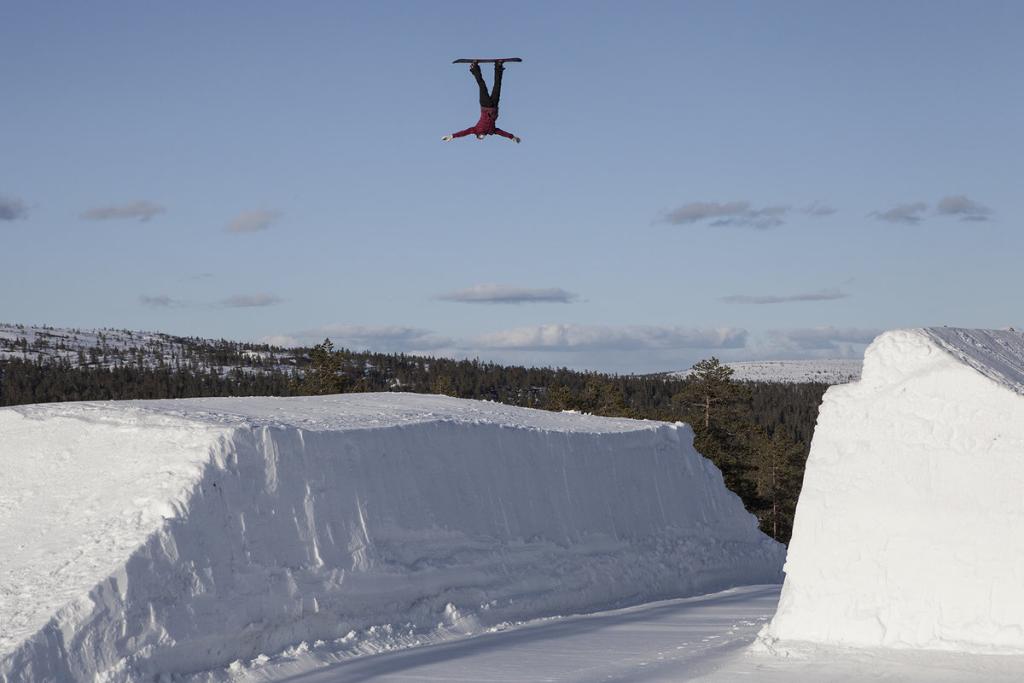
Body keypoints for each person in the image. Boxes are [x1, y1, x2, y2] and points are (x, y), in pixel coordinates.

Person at [442, 61, 521, 143]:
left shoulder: (475, 129)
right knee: (498, 86)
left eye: (480, 137)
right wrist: (512, 137)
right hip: (494, 106)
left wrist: (452, 136)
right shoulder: (491, 131)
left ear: (477, 135)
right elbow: (502, 133)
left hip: (485, 105)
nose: (482, 137)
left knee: (482, 85)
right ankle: (498, 66)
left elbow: (464, 132)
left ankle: (474, 67)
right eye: (482, 137)